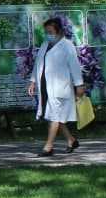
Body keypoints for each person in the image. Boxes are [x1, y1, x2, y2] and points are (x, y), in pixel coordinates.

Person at [27, 16, 85, 157]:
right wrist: (33, 81)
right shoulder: (45, 45)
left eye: (50, 31)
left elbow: (74, 67)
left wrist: (79, 85)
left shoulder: (67, 46)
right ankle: (71, 140)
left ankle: (49, 147)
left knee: (54, 116)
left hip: (60, 87)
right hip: (45, 87)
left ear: (59, 31)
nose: (48, 34)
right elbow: (38, 64)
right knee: (54, 116)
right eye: (46, 31)